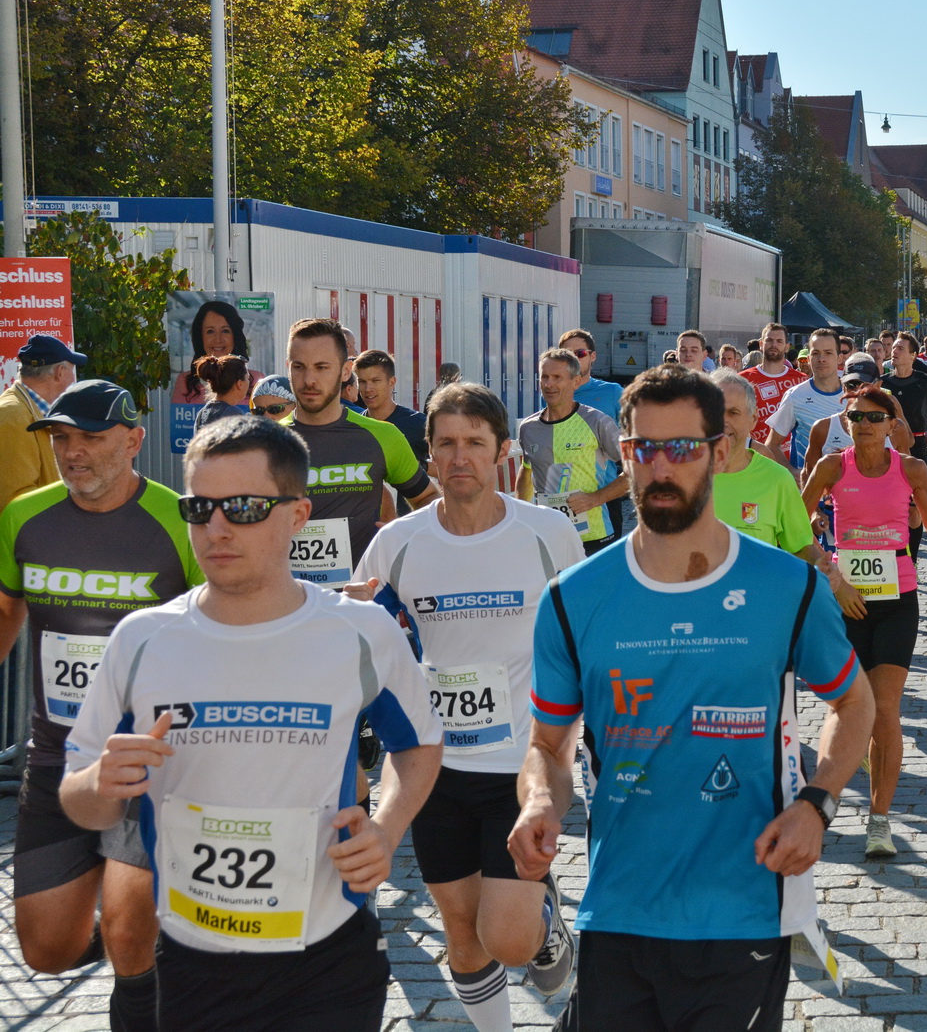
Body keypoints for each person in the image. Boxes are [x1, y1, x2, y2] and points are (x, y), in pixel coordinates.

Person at [508, 364, 875, 1031]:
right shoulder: (572, 597)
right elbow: (547, 745)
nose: (661, 466)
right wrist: (538, 799)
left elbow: (856, 704)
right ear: (623, 453)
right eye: (643, 448)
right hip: (619, 907)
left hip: (742, 912)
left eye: (682, 447)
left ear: (721, 452)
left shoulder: (787, 586)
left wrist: (817, 803)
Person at [59, 414, 443, 1030]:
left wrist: (388, 829)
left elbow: (419, 745)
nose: (216, 528)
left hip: (328, 960)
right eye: (199, 508)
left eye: (242, 507)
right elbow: (81, 800)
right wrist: (101, 786)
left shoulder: (360, 632)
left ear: (297, 515)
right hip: (190, 965)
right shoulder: (143, 640)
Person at [349, 383, 584, 1025]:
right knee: (461, 932)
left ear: (503, 452)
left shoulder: (547, 534)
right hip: (437, 767)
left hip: (525, 763)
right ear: (428, 455)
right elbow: (368, 635)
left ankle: (551, 942)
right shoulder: (398, 543)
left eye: (475, 444)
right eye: (446, 444)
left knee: (507, 937)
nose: (461, 458)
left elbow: (580, 638)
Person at [0, 380, 200, 1032]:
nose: (73, 452)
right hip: (58, 756)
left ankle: (142, 963)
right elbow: (6, 612)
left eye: (90, 437)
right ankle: (144, 943)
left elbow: (223, 624)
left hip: (153, 761)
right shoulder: (22, 517)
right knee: (45, 947)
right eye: (61, 437)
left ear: (134, 440)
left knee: (128, 927)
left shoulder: (181, 517)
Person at [802, 386, 927, 858]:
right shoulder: (833, 466)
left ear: (893, 423)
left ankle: (879, 821)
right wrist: (829, 568)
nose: (865, 424)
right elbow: (795, 521)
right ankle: (826, 794)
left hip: (898, 596)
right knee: (846, 707)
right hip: (844, 599)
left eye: (875, 417)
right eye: (856, 416)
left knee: (886, 709)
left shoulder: (911, 468)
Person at [283, 318, 438, 587]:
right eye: (299, 367)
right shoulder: (268, 443)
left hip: (365, 600)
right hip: (291, 605)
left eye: (322, 367)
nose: (309, 379)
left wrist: (404, 536)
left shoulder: (382, 435)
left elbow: (427, 497)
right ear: (289, 368)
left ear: (345, 372)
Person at [516, 348, 629, 555]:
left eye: (557, 377)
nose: (549, 384)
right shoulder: (528, 428)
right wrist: (520, 517)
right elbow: (526, 471)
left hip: (595, 535)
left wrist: (595, 498)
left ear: (575, 382)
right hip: (549, 534)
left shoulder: (597, 421)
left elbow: (635, 471)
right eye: (544, 377)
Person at [710, 370, 826, 566]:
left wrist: (832, 577)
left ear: (753, 419)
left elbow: (801, 546)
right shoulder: (680, 477)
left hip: (757, 596)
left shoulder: (776, 478)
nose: (723, 421)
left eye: (733, 413)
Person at [556, 328, 626, 538]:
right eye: (567, 355)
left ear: (592, 356)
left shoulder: (612, 392)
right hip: (561, 498)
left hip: (604, 494)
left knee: (604, 566)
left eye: (580, 354)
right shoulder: (553, 393)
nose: (574, 360)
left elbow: (633, 437)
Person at [1, 334, 83, 511]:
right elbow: (15, 500)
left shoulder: (26, 411)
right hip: (31, 536)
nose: (74, 380)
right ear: (59, 372)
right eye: (72, 371)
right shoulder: (13, 416)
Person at [767, 328, 845, 472]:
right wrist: (792, 473)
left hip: (846, 489)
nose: (821, 359)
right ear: (808, 359)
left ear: (839, 358)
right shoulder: (795, 396)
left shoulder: (854, 396)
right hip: (809, 491)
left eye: (828, 353)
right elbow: (772, 445)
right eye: (816, 353)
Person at [881, 333, 927, 465]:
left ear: (912, 356)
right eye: (894, 347)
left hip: (917, 446)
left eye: (900, 348)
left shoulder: (926, 381)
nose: (894, 351)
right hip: (888, 445)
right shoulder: (882, 382)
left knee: (917, 486)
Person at [171, 301, 260, 405]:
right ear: (200, 337)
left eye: (225, 331)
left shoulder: (256, 380)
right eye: (210, 331)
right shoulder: (185, 382)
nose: (218, 340)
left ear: (235, 336)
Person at [353, 349, 429, 467]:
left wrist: (415, 466)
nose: (368, 388)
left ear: (391, 382)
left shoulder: (418, 423)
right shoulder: (353, 426)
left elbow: (446, 467)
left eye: (375, 381)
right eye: (362, 382)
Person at [739, 322, 806, 444]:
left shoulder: (801, 380)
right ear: (761, 344)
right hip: (757, 458)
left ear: (787, 346)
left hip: (792, 460)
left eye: (779, 341)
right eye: (769, 340)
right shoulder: (742, 380)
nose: (774, 345)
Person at [190, 355, 252, 434]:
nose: (249, 382)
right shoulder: (232, 414)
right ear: (240, 384)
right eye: (248, 378)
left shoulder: (203, 412)